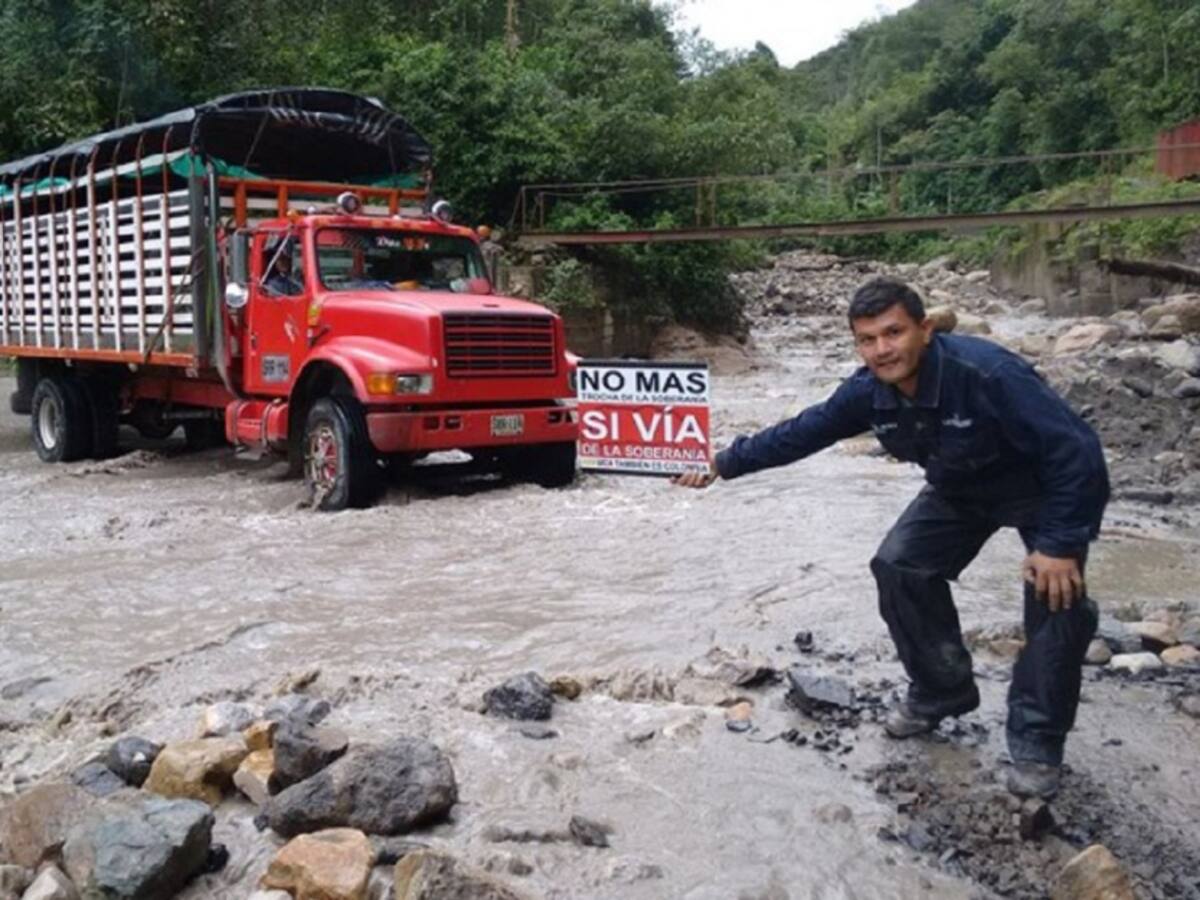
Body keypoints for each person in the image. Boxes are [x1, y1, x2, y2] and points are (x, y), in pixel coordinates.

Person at [675, 276, 1108, 800]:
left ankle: (1038, 741)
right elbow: (804, 431)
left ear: (924, 330)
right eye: (867, 339)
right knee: (899, 565)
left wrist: (1060, 542)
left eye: (893, 333)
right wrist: (722, 462)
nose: (882, 350)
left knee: (1055, 598)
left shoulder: (988, 373)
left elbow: (1078, 452)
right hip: (959, 488)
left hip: (1041, 489)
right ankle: (941, 690)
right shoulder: (868, 391)